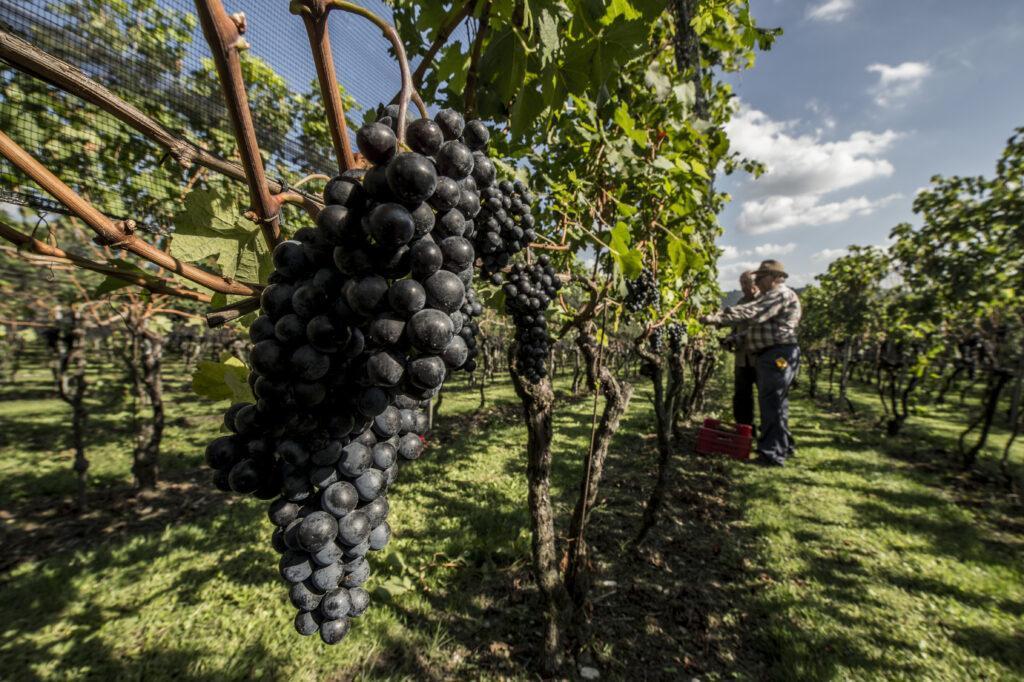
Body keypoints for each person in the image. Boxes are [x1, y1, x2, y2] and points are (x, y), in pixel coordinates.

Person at [702, 260, 801, 466]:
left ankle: (771, 455)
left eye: (760, 277)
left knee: (771, 404)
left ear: (774, 277)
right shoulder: (773, 296)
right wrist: (734, 339)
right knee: (776, 403)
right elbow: (756, 329)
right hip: (772, 354)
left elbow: (753, 311)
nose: (757, 281)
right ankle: (783, 447)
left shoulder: (779, 294)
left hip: (777, 355)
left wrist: (715, 317)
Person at [727, 271, 759, 433]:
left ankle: (768, 432)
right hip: (742, 358)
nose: (743, 287)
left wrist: (739, 337)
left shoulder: (763, 301)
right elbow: (735, 326)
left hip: (759, 357)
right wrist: (729, 338)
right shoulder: (740, 302)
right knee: (741, 396)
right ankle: (744, 430)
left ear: (755, 283)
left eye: (746, 283)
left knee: (766, 397)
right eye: (741, 283)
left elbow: (759, 328)